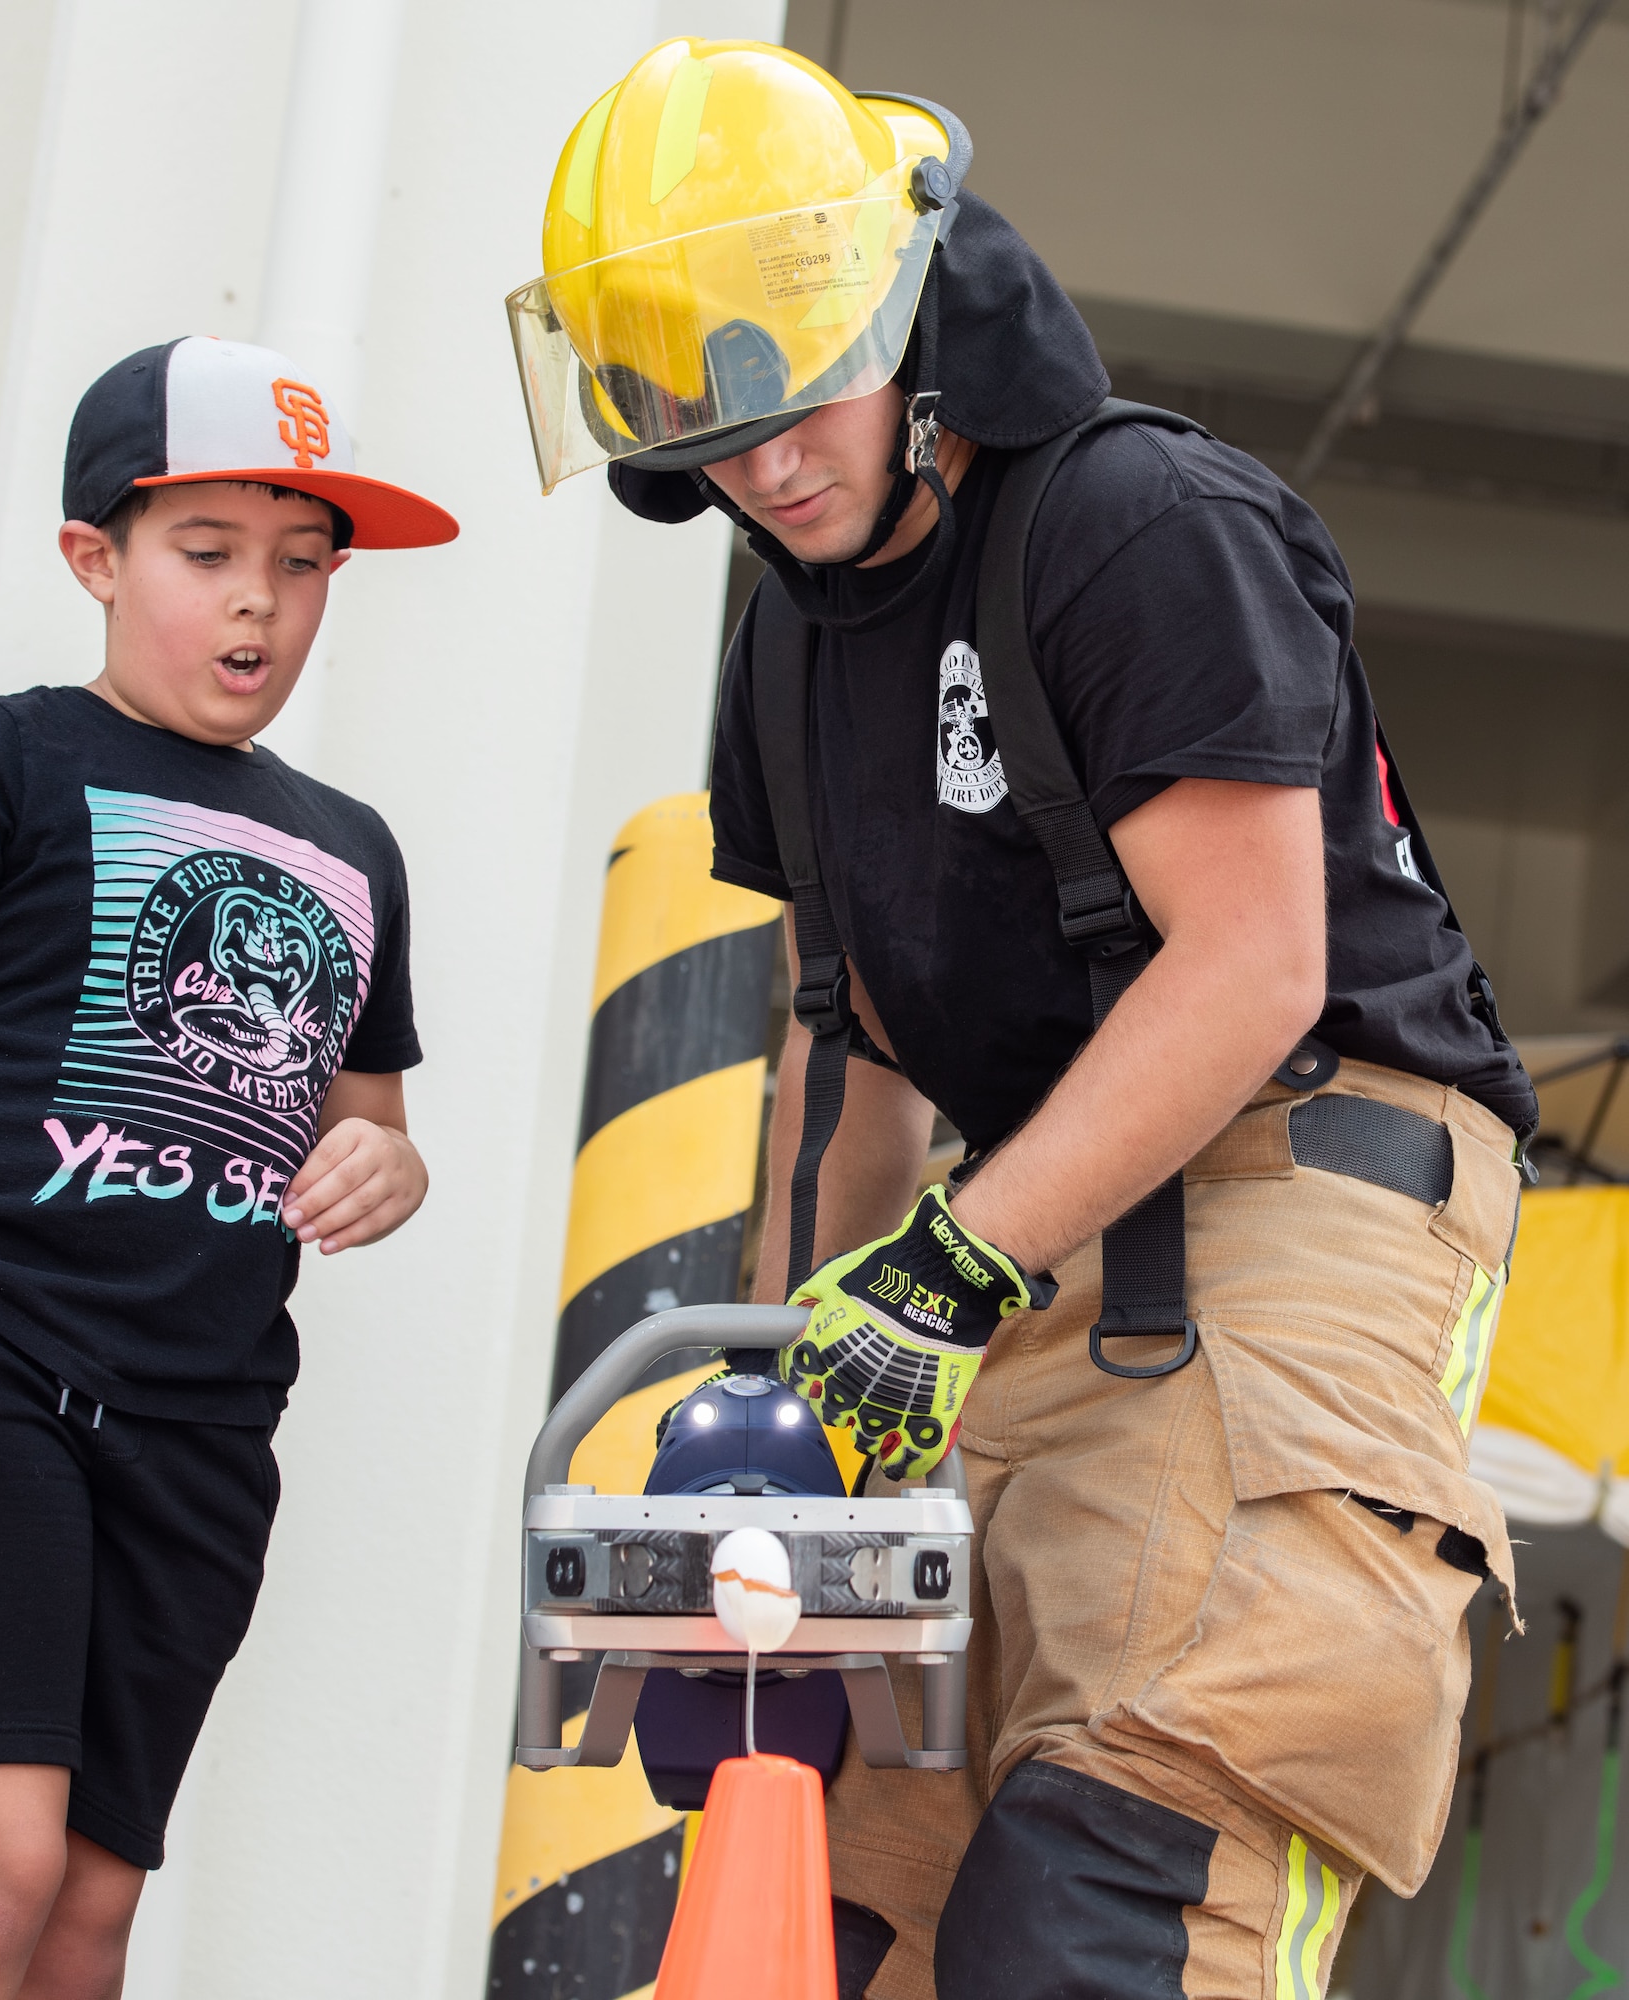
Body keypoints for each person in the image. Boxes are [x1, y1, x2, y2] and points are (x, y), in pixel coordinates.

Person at [508, 40, 1535, 2000]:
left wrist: (957, 1265)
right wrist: (790, 1403)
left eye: (800, 385)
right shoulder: (793, 651)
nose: (764, 456)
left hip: (1296, 1190)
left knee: (1102, 1905)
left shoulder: (1137, 525)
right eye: (699, 421)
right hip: (1009, 1247)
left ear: (901, 308)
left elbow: (1249, 965)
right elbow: (856, 1060)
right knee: (837, 1896)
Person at [0, 334, 455, 2000]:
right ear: (96, 559)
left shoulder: (353, 848)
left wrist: (391, 1172)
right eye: (206, 556)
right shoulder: (0, 761)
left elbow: (372, 1121)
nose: (257, 608)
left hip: (201, 1429)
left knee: (81, 1913)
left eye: (301, 566)